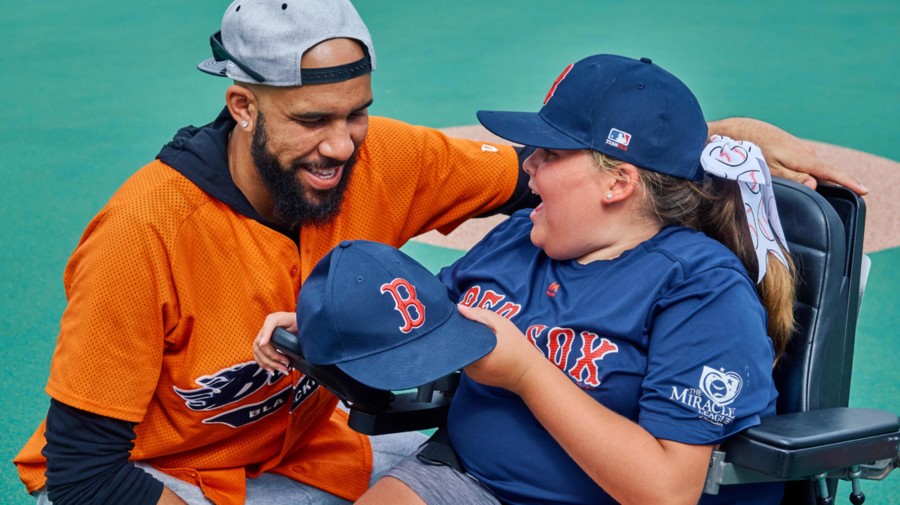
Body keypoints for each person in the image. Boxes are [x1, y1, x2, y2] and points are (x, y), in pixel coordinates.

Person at [14, 0, 861, 501]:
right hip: (177, 479)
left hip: (321, 451)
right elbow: (84, 473)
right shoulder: (144, 230)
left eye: (358, 114)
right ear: (241, 108)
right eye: (313, 121)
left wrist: (723, 143)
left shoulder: (668, 269)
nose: (344, 147)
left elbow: (609, 175)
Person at [343, 54, 787, 504]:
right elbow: (425, 316)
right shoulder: (522, 236)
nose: (528, 165)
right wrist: (336, 320)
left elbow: (668, 492)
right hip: (464, 478)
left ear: (618, 183)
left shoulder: (702, 289)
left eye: (550, 154)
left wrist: (527, 374)